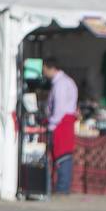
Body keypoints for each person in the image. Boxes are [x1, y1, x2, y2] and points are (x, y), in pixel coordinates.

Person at [43, 57, 78, 195]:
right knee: (62, 155)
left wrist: (51, 124)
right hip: (62, 122)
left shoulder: (61, 84)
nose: (44, 73)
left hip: (61, 123)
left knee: (63, 155)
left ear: (50, 68)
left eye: (44, 69)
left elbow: (60, 107)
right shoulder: (62, 82)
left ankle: (62, 187)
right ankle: (61, 186)